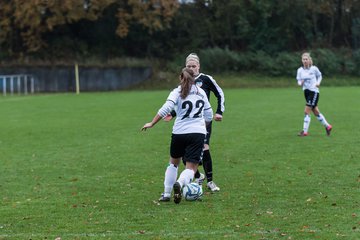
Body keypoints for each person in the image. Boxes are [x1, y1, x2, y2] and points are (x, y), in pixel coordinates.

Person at [141, 67, 213, 204]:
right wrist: (203, 126)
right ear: (194, 78)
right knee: (192, 168)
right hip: (197, 133)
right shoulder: (201, 92)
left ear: (181, 78)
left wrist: (152, 123)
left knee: (173, 163)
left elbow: (166, 108)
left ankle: (167, 194)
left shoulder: (177, 91)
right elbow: (209, 115)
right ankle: (179, 183)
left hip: (179, 133)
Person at [164, 53, 225, 192]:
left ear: (198, 66)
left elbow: (220, 93)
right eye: (188, 66)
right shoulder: (184, 81)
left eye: (194, 66)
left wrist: (219, 112)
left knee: (205, 147)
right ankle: (197, 175)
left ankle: (210, 182)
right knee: (187, 154)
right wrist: (172, 114)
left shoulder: (206, 79)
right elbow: (183, 102)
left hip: (203, 121)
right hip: (186, 124)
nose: (191, 68)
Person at [296, 52, 332, 137]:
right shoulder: (300, 70)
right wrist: (300, 83)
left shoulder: (314, 68)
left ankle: (304, 132)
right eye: (303, 59)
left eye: (306, 59)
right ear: (302, 60)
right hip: (306, 92)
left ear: (309, 60)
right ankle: (328, 126)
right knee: (316, 112)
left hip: (314, 92)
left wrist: (318, 82)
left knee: (306, 111)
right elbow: (298, 80)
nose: (305, 61)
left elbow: (320, 76)